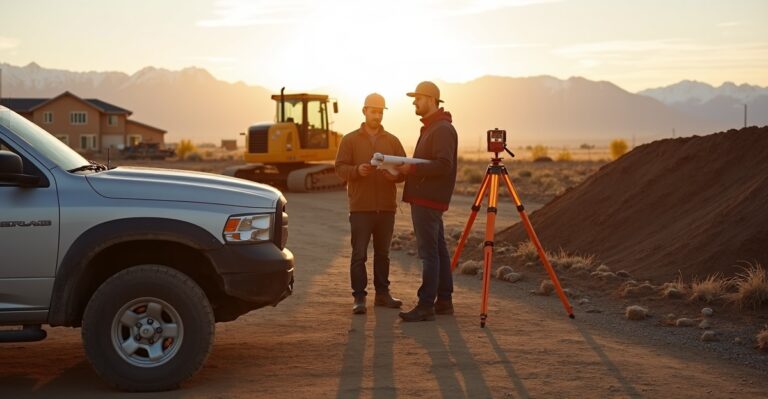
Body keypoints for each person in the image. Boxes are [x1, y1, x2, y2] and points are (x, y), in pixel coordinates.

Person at [335, 93, 407, 314]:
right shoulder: (349, 140)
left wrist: (394, 176)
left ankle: (383, 295)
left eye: (380, 112)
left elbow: (404, 168)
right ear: (364, 111)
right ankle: (359, 298)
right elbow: (339, 168)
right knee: (359, 254)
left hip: (386, 208)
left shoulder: (392, 140)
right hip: (360, 208)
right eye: (373, 111)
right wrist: (357, 170)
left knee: (383, 254)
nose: (377, 115)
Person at [395, 81, 458, 322]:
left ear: (431, 99)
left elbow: (444, 165)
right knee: (439, 251)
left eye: (418, 98)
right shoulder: (433, 127)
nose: (414, 102)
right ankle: (444, 301)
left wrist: (411, 170)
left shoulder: (441, 129)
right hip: (427, 198)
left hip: (428, 199)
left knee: (429, 253)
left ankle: (425, 305)